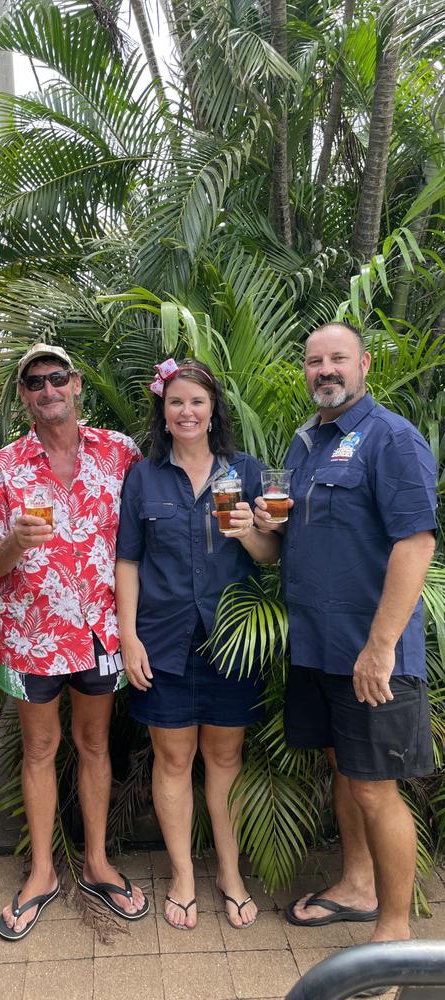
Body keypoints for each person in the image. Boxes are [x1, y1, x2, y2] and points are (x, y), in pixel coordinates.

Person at [254, 322, 436, 956]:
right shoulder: (304, 447)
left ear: (362, 365)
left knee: (375, 787)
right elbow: (278, 549)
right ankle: (358, 884)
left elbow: (416, 544)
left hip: (370, 654)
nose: (324, 370)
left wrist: (381, 646)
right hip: (316, 647)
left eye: (337, 359)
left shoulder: (392, 440)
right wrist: (251, 528)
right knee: (344, 767)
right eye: (313, 361)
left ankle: (394, 933)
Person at [0, 342, 149, 941]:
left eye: (57, 378)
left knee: (94, 743)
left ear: (75, 385)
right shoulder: (1, 468)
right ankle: (43, 871)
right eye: (35, 382)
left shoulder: (120, 452)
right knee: (40, 749)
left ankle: (96, 861)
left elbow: (160, 509)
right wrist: (16, 542)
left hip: (101, 633)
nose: (48, 390)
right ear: (24, 395)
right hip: (32, 637)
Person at [115, 358, 281, 931]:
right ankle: (184, 874)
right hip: (162, 641)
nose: (187, 412)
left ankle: (229, 872)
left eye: (197, 402)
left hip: (232, 641)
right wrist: (128, 636)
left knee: (225, 758)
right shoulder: (143, 476)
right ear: (164, 412)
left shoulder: (246, 471)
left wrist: (251, 534)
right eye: (176, 402)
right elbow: (127, 560)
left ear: (213, 412)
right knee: (172, 758)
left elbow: (269, 557)